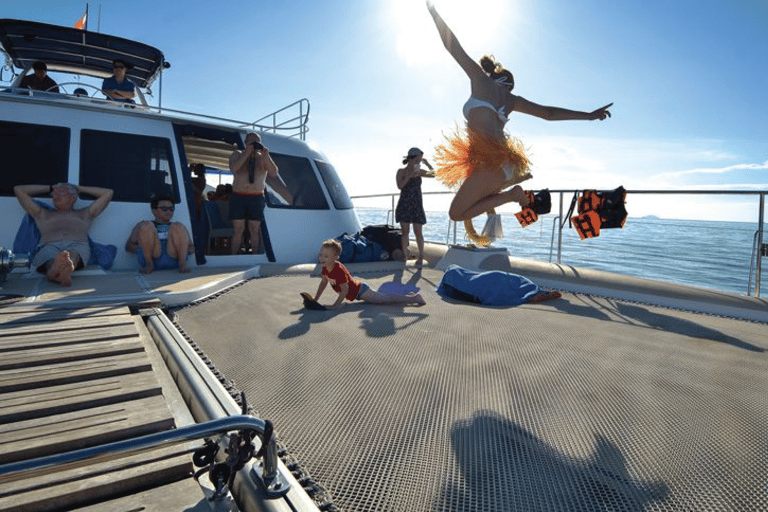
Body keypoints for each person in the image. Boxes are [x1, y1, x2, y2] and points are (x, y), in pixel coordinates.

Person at [425, 2, 612, 225]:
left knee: (457, 213)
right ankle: (511, 193)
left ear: (495, 79)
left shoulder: (481, 81)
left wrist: (434, 13)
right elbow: (549, 113)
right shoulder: (513, 101)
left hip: (490, 164)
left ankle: (513, 195)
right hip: (503, 165)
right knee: (468, 207)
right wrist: (589, 116)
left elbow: (453, 47)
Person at [14, 183, 113, 286]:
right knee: (50, 258)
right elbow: (19, 190)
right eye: (54, 194)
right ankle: (59, 268)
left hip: (78, 244)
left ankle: (60, 269)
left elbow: (108, 193)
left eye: (61, 193)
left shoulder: (85, 214)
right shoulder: (42, 213)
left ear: (74, 197)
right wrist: (50, 188)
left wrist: (79, 188)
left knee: (73, 255)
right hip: (49, 245)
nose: (55, 196)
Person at [228, 132, 292, 254]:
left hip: (256, 197)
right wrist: (247, 153)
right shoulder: (237, 154)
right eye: (252, 142)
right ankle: (233, 256)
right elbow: (234, 169)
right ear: (246, 143)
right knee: (238, 230)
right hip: (238, 196)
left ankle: (254, 256)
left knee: (254, 230)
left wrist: (266, 155)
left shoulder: (262, 158)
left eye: (257, 142)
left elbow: (273, 173)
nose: (254, 144)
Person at [313, 239, 426, 309]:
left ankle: (414, 298)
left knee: (387, 300)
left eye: (326, 256)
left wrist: (335, 305)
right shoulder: (325, 267)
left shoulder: (337, 270)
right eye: (321, 255)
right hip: (359, 291)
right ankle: (410, 296)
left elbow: (345, 289)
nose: (322, 258)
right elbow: (323, 282)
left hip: (361, 292)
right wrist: (315, 299)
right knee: (385, 298)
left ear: (335, 257)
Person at [125, 196, 194, 274]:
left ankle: (183, 265)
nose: (169, 212)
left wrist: (182, 249)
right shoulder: (143, 226)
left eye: (171, 209)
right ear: (154, 211)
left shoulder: (178, 228)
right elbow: (128, 247)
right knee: (146, 225)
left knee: (177, 225)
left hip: (173, 258)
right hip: (152, 256)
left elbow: (191, 247)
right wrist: (143, 247)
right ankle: (149, 265)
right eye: (164, 209)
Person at [395, 147, 432, 266]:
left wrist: (427, 164)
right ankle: (405, 256)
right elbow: (400, 186)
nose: (419, 162)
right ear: (411, 159)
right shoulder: (401, 171)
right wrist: (409, 175)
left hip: (417, 204)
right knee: (405, 231)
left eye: (421, 160)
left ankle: (421, 256)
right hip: (405, 203)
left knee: (418, 232)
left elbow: (435, 174)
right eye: (418, 160)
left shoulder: (420, 171)